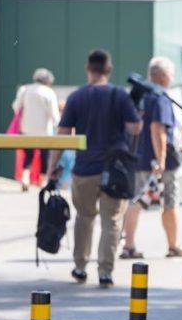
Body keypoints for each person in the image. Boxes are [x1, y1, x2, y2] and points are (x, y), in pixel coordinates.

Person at [46, 49, 142, 287]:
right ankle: (105, 272)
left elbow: (63, 134)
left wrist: (52, 166)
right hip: (115, 170)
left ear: (88, 68)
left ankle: (80, 266)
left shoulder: (77, 97)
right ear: (108, 70)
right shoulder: (120, 95)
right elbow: (135, 128)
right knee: (112, 221)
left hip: (85, 168)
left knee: (85, 217)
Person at [121, 57, 182, 259]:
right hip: (160, 164)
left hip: (136, 157)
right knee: (169, 203)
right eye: (171, 74)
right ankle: (173, 245)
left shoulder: (137, 96)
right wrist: (161, 159)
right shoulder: (159, 97)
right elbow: (158, 129)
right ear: (162, 76)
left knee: (135, 201)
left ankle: (129, 245)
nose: (172, 78)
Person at [12, 68, 61, 191]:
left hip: (26, 128)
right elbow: (54, 115)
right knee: (45, 157)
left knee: (28, 155)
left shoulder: (25, 89)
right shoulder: (49, 92)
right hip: (44, 131)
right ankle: (43, 181)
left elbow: (16, 107)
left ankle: (25, 178)